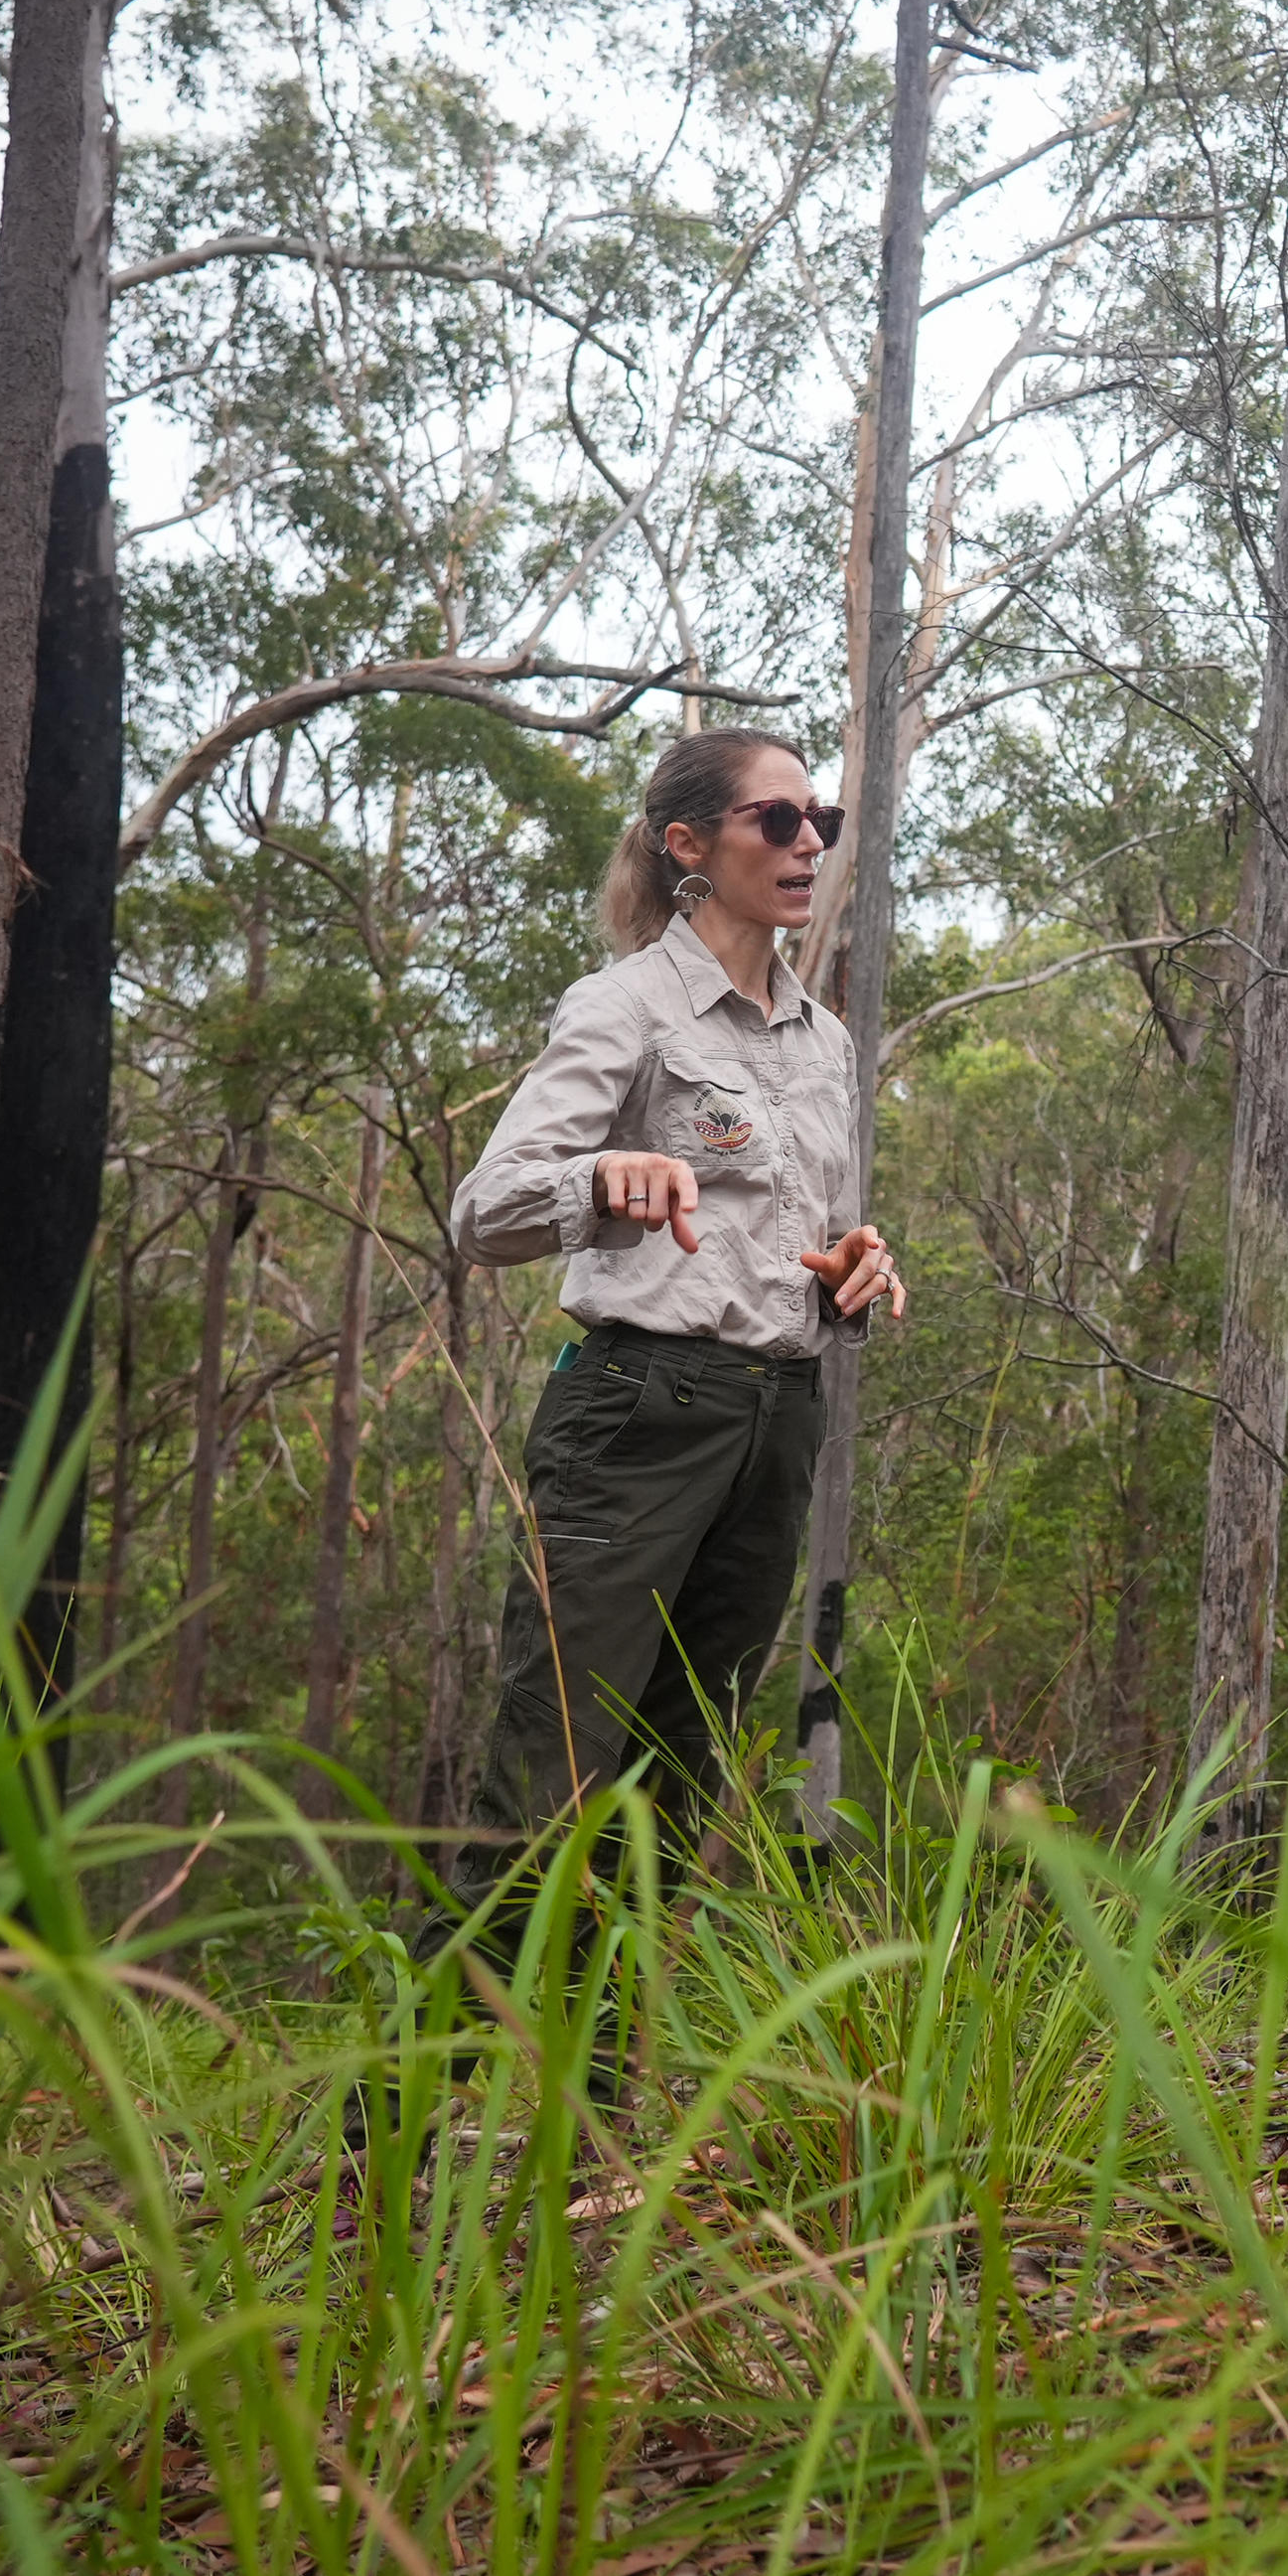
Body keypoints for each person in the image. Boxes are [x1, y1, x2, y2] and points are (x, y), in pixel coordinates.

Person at [450, 728, 909, 1835]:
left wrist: (854, 1262)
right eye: (778, 819)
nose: (809, 843)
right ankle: (476, 2011)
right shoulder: (626, 1006)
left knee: (680, 1765)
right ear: (688, 844)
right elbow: (485, 1210)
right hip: (639, 1414)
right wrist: (604, 1176)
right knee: (554, 1756)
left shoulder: (825, 1042)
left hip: (778, 1417)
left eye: (822, 822)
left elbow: (807, 1230)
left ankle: (614, 2016)